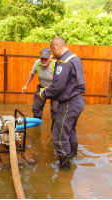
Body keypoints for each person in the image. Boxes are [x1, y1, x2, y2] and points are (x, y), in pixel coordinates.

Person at [38, 37, 85, 169]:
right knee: (70, 130)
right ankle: (73, 156)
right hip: (78, 100)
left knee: (59, 135)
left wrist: (43, 93)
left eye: (53, 51)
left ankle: (65, 168)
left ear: (55, 48)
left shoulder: (64, 62)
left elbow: (57, 86)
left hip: (69, 102)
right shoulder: (75, 58)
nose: (53, 55)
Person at [22, 48, 58, 130]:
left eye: (46, 58)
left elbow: (60, 80)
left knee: (56, 110)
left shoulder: (56, 65)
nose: (44, 60)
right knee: (36, 108)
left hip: (53, 89)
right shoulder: (37, 63)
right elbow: (31, 74)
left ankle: (54, 130)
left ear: (50, 58)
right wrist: (26, 85)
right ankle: (36, 127)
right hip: (42, 87)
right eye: (42, 58)